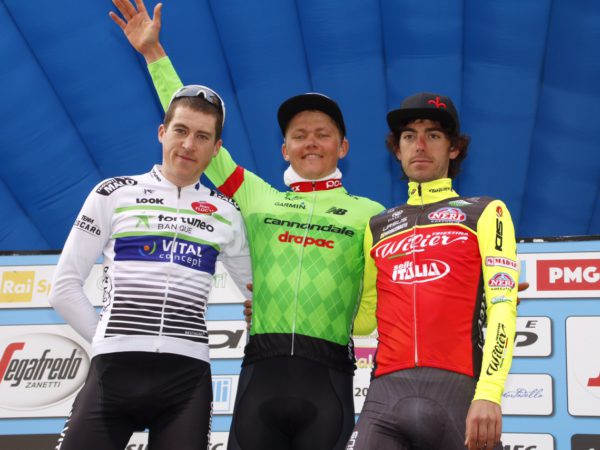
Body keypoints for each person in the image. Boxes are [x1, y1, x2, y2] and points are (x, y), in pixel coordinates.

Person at [109, 2, 385, 449]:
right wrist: (154, 55)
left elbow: (381, 300)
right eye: (299, 135)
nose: (311, 142)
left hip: (331, 380)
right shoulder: (258, 196)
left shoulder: (370, 213)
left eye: (322, 134)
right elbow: (196, 130)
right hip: (261, 375)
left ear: (343, 147)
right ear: (284, 149)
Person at [49, 84, 252, 450]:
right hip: (113, 371)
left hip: (186, 380)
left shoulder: (227, 212)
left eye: (202, 136)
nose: (188, 145)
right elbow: (63, 287)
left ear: (216, 148)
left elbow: (259, 293)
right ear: (162, 132)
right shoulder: (113, 193)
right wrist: (108, 340)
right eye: (181, 130)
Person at [349, 92, 518, 450]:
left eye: (434, 135)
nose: (420, 145)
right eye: (409, 136)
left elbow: (503, 307)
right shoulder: (377, 226)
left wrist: (489, 392)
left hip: (459, 391)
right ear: (397, 150)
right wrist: (290, 311)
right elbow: (363, 320)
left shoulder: (486, 211)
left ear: (454, 148)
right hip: (385, 395)